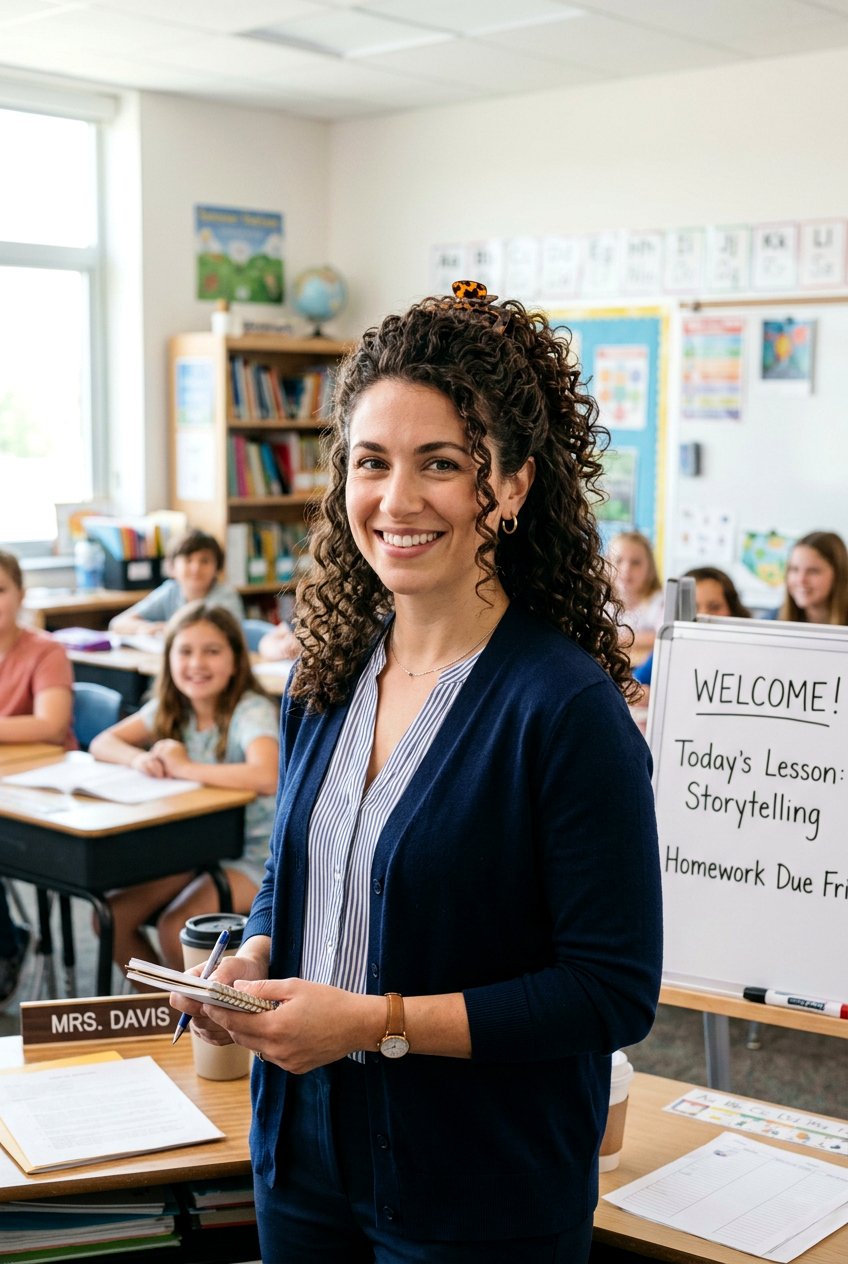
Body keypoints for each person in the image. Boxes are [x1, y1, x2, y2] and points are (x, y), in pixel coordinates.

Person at [171, 284, 663, 1263]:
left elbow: (607, 992)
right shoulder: (327, 672)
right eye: (371, 463)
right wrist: (256, 954)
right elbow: (294, 876)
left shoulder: (563, 709)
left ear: (512, 485)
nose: (395, 501)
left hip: (479, 1192)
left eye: (439, 463)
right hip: (300, 1160)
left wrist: (371, 1024)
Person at [90, 602, 279, 975]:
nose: (197, 664)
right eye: (185, 651)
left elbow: (267, 775)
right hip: (188, 849)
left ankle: (206, 1026)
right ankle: (163, 1016)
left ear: (236, 659)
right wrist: (137, 759)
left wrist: (184, 767)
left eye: (212, 651)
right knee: (109, 918)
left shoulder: (249, 709)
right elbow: (102, 742)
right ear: (169, 658)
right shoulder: (171, 707)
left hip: (252, 854)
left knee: (176, 928)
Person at [0, 549, 76, 1004]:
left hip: (47, 787)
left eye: (0, 590)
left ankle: (7, 945)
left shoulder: (45, 651)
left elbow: (50, 724)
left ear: (21, 595)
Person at [630, 565, 751, 705]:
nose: (703, 615)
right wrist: (648, 695)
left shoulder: (745, 654)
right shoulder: (670, 649)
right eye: (693, 608)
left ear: (733, 609)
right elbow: (636, 686)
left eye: (715, 607)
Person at [109, 528, 244, 637]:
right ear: (172, 567)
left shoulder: (226, 596)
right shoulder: (170, 591)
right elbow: (118, 623)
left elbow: (223, 635)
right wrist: (145, 628)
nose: (196, 568)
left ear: (217, 568)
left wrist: (171, 629)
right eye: (188, 560)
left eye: (205, 561)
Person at [607, 530, 664, 659]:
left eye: (636, 562)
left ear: (650, 569)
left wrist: (615, 639)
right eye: (618, 560)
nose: (626, 568)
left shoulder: (659, 601)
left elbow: (663, 637)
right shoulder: (601, 600)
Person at [779, 531, 848, 625]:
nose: (801, 580)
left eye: (813, 571)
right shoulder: (771, 620)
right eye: (794, 569)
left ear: (838, 575)